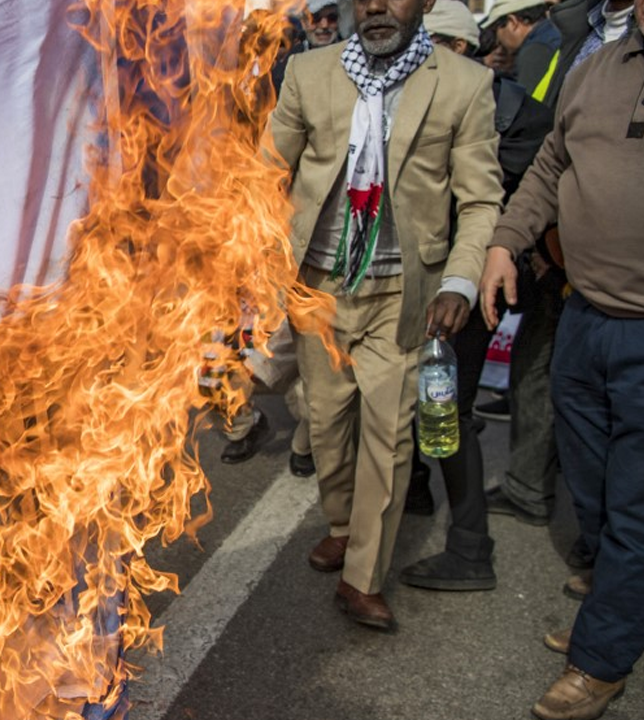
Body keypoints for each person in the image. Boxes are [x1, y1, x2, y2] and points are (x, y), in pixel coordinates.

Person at [265, 0, 503, 630]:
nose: (376, 6)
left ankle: (362, 576)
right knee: (325, 422)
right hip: (317, 288)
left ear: (424, 3)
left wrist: (459, 278)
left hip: (405, 293)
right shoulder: (307, 74)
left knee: (391, 440)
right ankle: (343, 524)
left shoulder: (465, 84)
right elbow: (265, 173)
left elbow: (479, 199)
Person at [480, 0, 644, 715]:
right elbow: (549, 165)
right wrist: (501, 243)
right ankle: (620, 593)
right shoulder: (598, 68)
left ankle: (600, 658)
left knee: (635, 507)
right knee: (594, 483)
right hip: (584, 317)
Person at [396, 0, 554, 592]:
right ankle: (412, 490)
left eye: (431, 44)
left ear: (461, 49)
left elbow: (504, 208)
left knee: (448, 409)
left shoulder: (513, 114)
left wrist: (473, 275)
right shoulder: (416, 100)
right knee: (409, 396)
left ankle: (470, 550)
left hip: (477, 286)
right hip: (423, 278)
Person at [482, 0, 563, 96]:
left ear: (513, 22)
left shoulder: (535, 50)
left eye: (496, 31)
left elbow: (522, 104)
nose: (499, 44)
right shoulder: (555, 33)